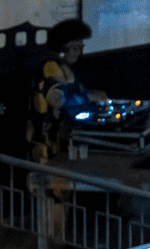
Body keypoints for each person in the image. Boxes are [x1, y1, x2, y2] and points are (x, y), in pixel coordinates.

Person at [26, 18, 105, 163]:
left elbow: (78, 93)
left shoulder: (66, 68)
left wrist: (94, 97)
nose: (78, 53)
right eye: (75, 48)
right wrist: (89, 97)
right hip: (44, 146)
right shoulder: (50, 66)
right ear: (63, 47)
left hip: (58, 144)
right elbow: (59, 99)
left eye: (81, 47)